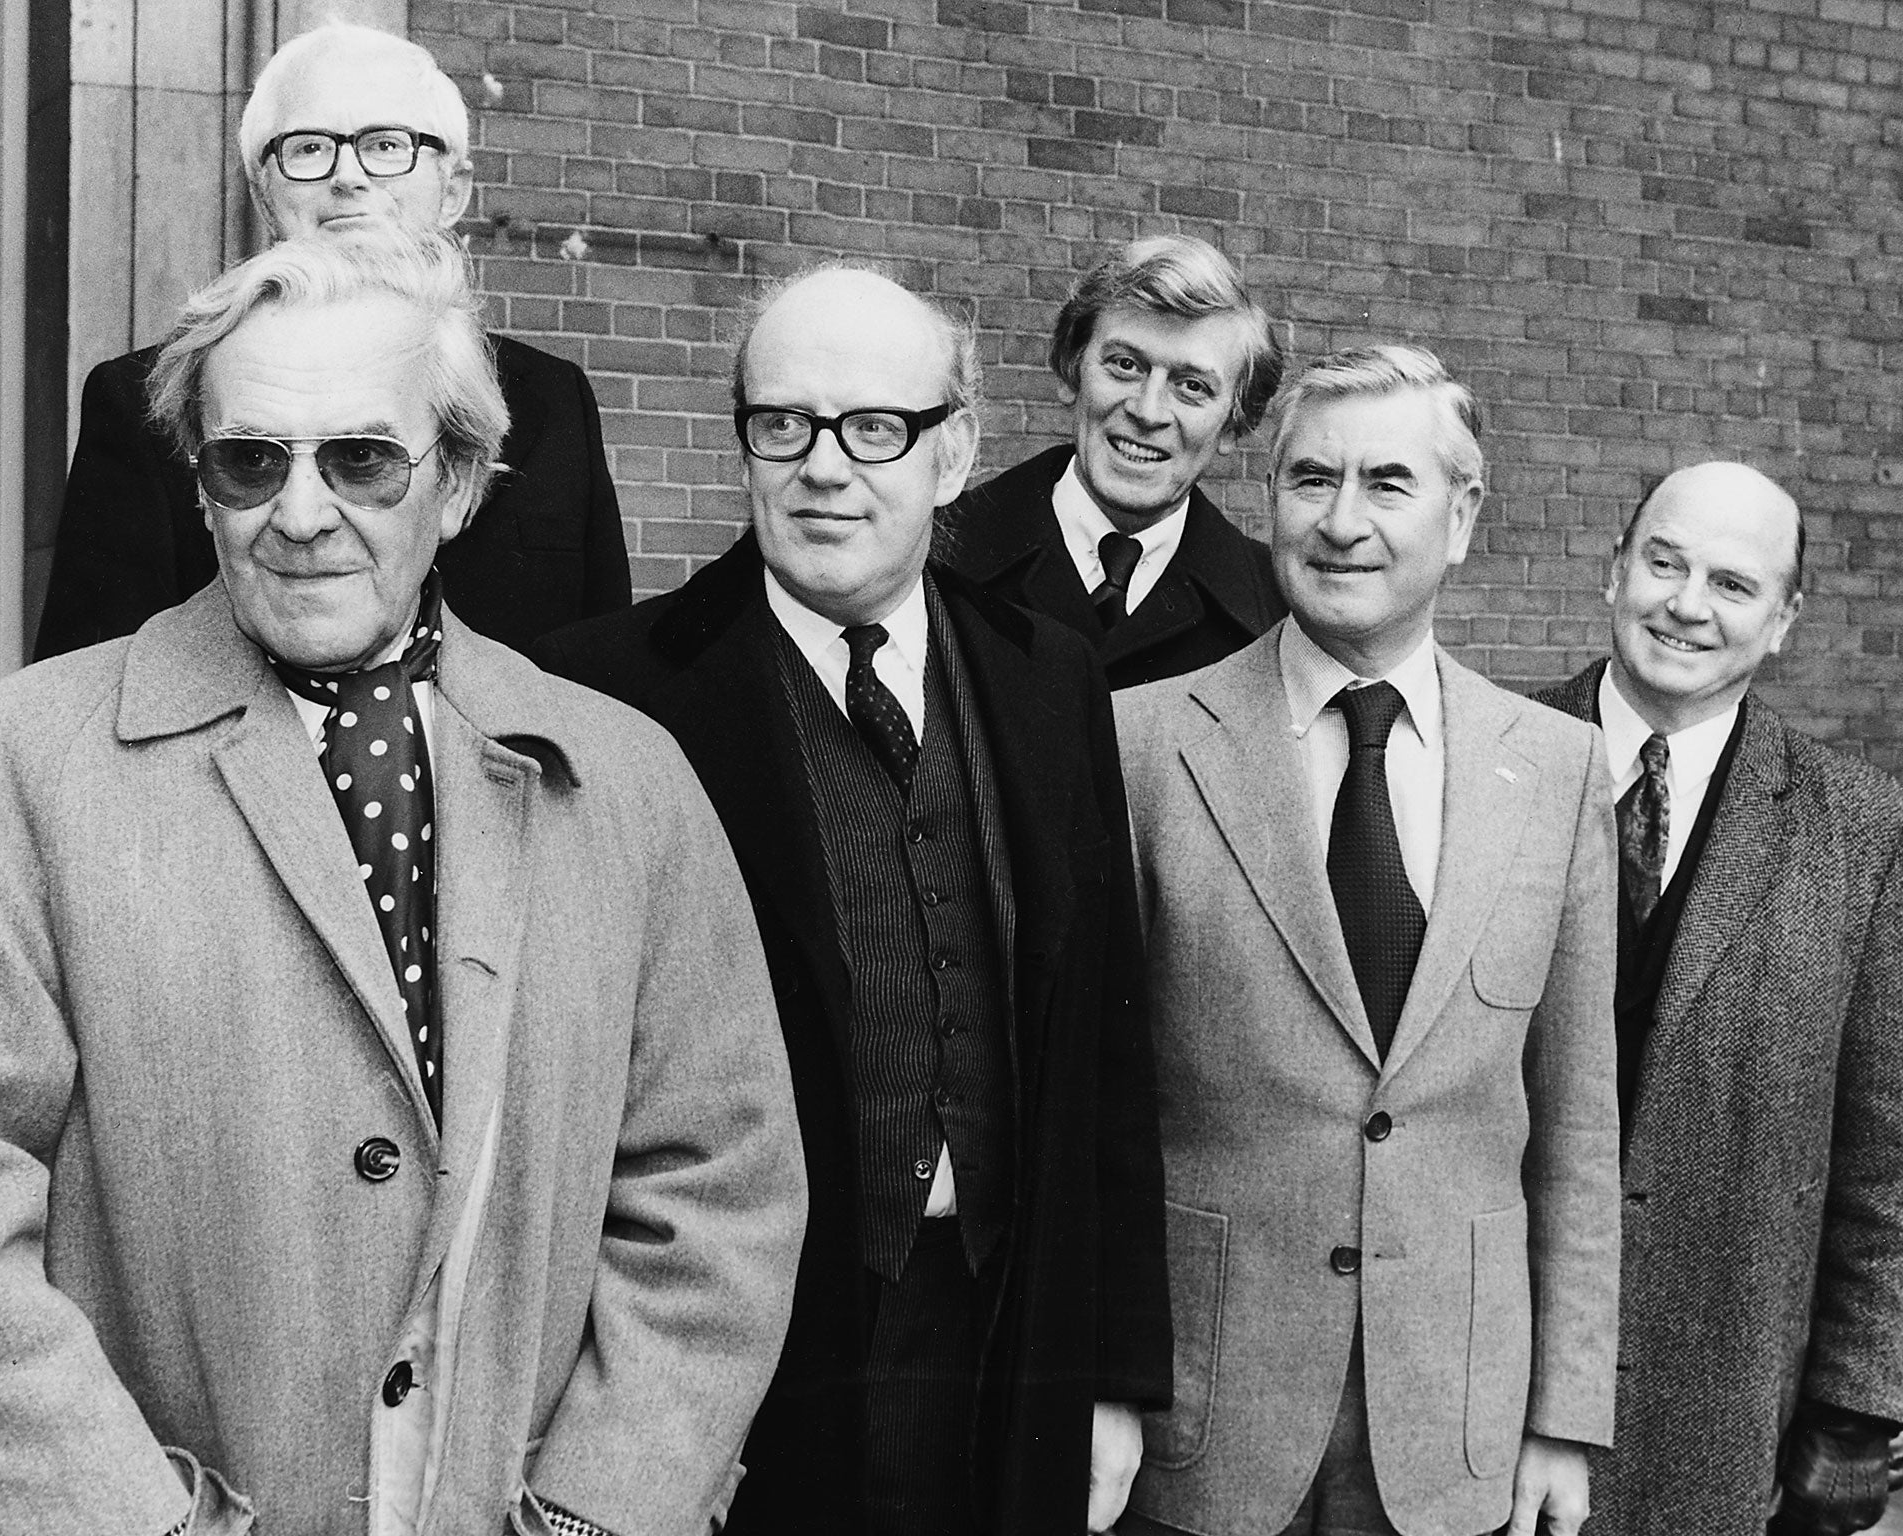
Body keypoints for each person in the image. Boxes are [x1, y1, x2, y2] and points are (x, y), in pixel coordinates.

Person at [0, 229, 804, 1536]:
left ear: (457, 481)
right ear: (200, 485)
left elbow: (719, 1198)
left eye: (362, 458)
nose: (301, 515)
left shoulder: (625, 779)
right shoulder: (31, 761)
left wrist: (598, 1509)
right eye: (251, 462)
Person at [536, 265, 1170, 1536]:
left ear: (954, 453)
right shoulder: (611, 694)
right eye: (784, 425)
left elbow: (1103, 1049)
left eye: (874, 429)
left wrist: (1108, 1378)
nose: (824, 467)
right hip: (746, 1366)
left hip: (1002, 1342)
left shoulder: (1049, 679)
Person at [1113, 344, 1621, 1536]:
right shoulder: (1139, 747)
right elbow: (1092, 1116)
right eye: (1307, 480)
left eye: (1386, 483)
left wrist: (1561, 1414)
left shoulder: (1553, 770)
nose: (1339, 522)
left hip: (1456, 1427)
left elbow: (1577, 1128)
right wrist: (1101, 1380)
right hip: (1196, 1425)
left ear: (1462, 514)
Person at [1532, 462, 1903, 1536]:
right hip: (1479, 1402)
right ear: (1613, 571)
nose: (1686, 604)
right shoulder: (1483, 760)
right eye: (1663, 562)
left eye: (1733, 585)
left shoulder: (1862, 833)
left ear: (1781, 620)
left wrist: (1852, 1417)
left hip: (1723, 1420)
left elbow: (1885, 1164)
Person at [33, 20, 629, 666]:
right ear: (265, 194)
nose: (348, 176)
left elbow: (599, 675)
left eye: (386, 144)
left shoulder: (552, 399)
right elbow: (92, 708)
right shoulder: (146, 402)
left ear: (454, 189)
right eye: (310, 148)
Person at [944, 235, 1287, 689]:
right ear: (1070, 367)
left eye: (1192, 387)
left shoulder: (1276, 610)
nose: (1148, 412)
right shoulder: (938, 551)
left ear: (1233, 425)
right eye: (1125, 365)